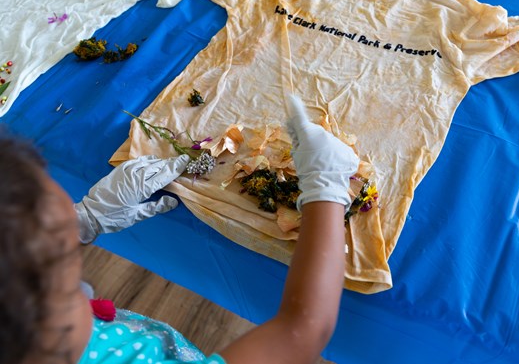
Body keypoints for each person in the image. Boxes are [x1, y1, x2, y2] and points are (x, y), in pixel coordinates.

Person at [0, 95, 359, 364]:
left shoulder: (35, 326)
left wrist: (87, 219)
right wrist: (326, 188)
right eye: (63, 252)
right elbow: (302, 330)